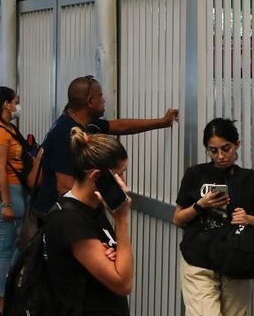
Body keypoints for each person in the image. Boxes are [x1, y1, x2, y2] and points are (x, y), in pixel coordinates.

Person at [31, 75, 177, 217]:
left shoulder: (85, 124)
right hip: (54, 216)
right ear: (90, 101)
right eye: (100, 96)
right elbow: (64, 186)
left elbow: (121, 126)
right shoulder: (65, 133)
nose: (104, 100)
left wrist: (162, 122)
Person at [173, 118, 254, 316]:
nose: (220, 156)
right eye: (213, 151)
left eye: (226, 149)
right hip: (198, 261)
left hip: (237, 262)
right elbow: (178, 218)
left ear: (237, 144)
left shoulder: (251, 179)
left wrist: (248, 219)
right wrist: (200, 206)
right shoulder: (195, 174)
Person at [43, 128, 133, 316]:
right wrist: (121, 220)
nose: (124, 184)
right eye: (119, 175)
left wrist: (115, 255)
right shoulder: (69, 219)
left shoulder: (93, 208)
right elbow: (122, 283)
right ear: (96, 177)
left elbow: (119, 263)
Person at [0, 86, 40, 316]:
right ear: (6, 104)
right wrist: (5, 203)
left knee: (16, 244)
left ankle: (10, 293)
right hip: (6, 191)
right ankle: (0, 300)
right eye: (16, 100)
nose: (18, 105)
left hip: (17, 191)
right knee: (4, 247)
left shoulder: (8, 128)